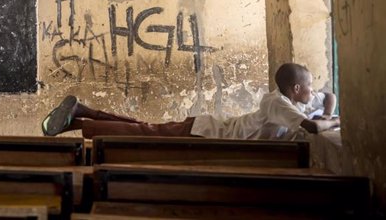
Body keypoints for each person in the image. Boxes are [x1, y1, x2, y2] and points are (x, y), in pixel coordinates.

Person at [41, 62, 339, 140]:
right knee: (144, 133)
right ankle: (80, 119)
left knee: (146, 130)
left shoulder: (298, 100)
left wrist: (326, 112)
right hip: (208, 133)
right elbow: (312, 129)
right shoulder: (278, 103)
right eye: (309, 88)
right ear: (296, 88)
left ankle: (82, 114)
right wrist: (336, 122)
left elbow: (330, 97)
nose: (314, 93)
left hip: (208, 131)